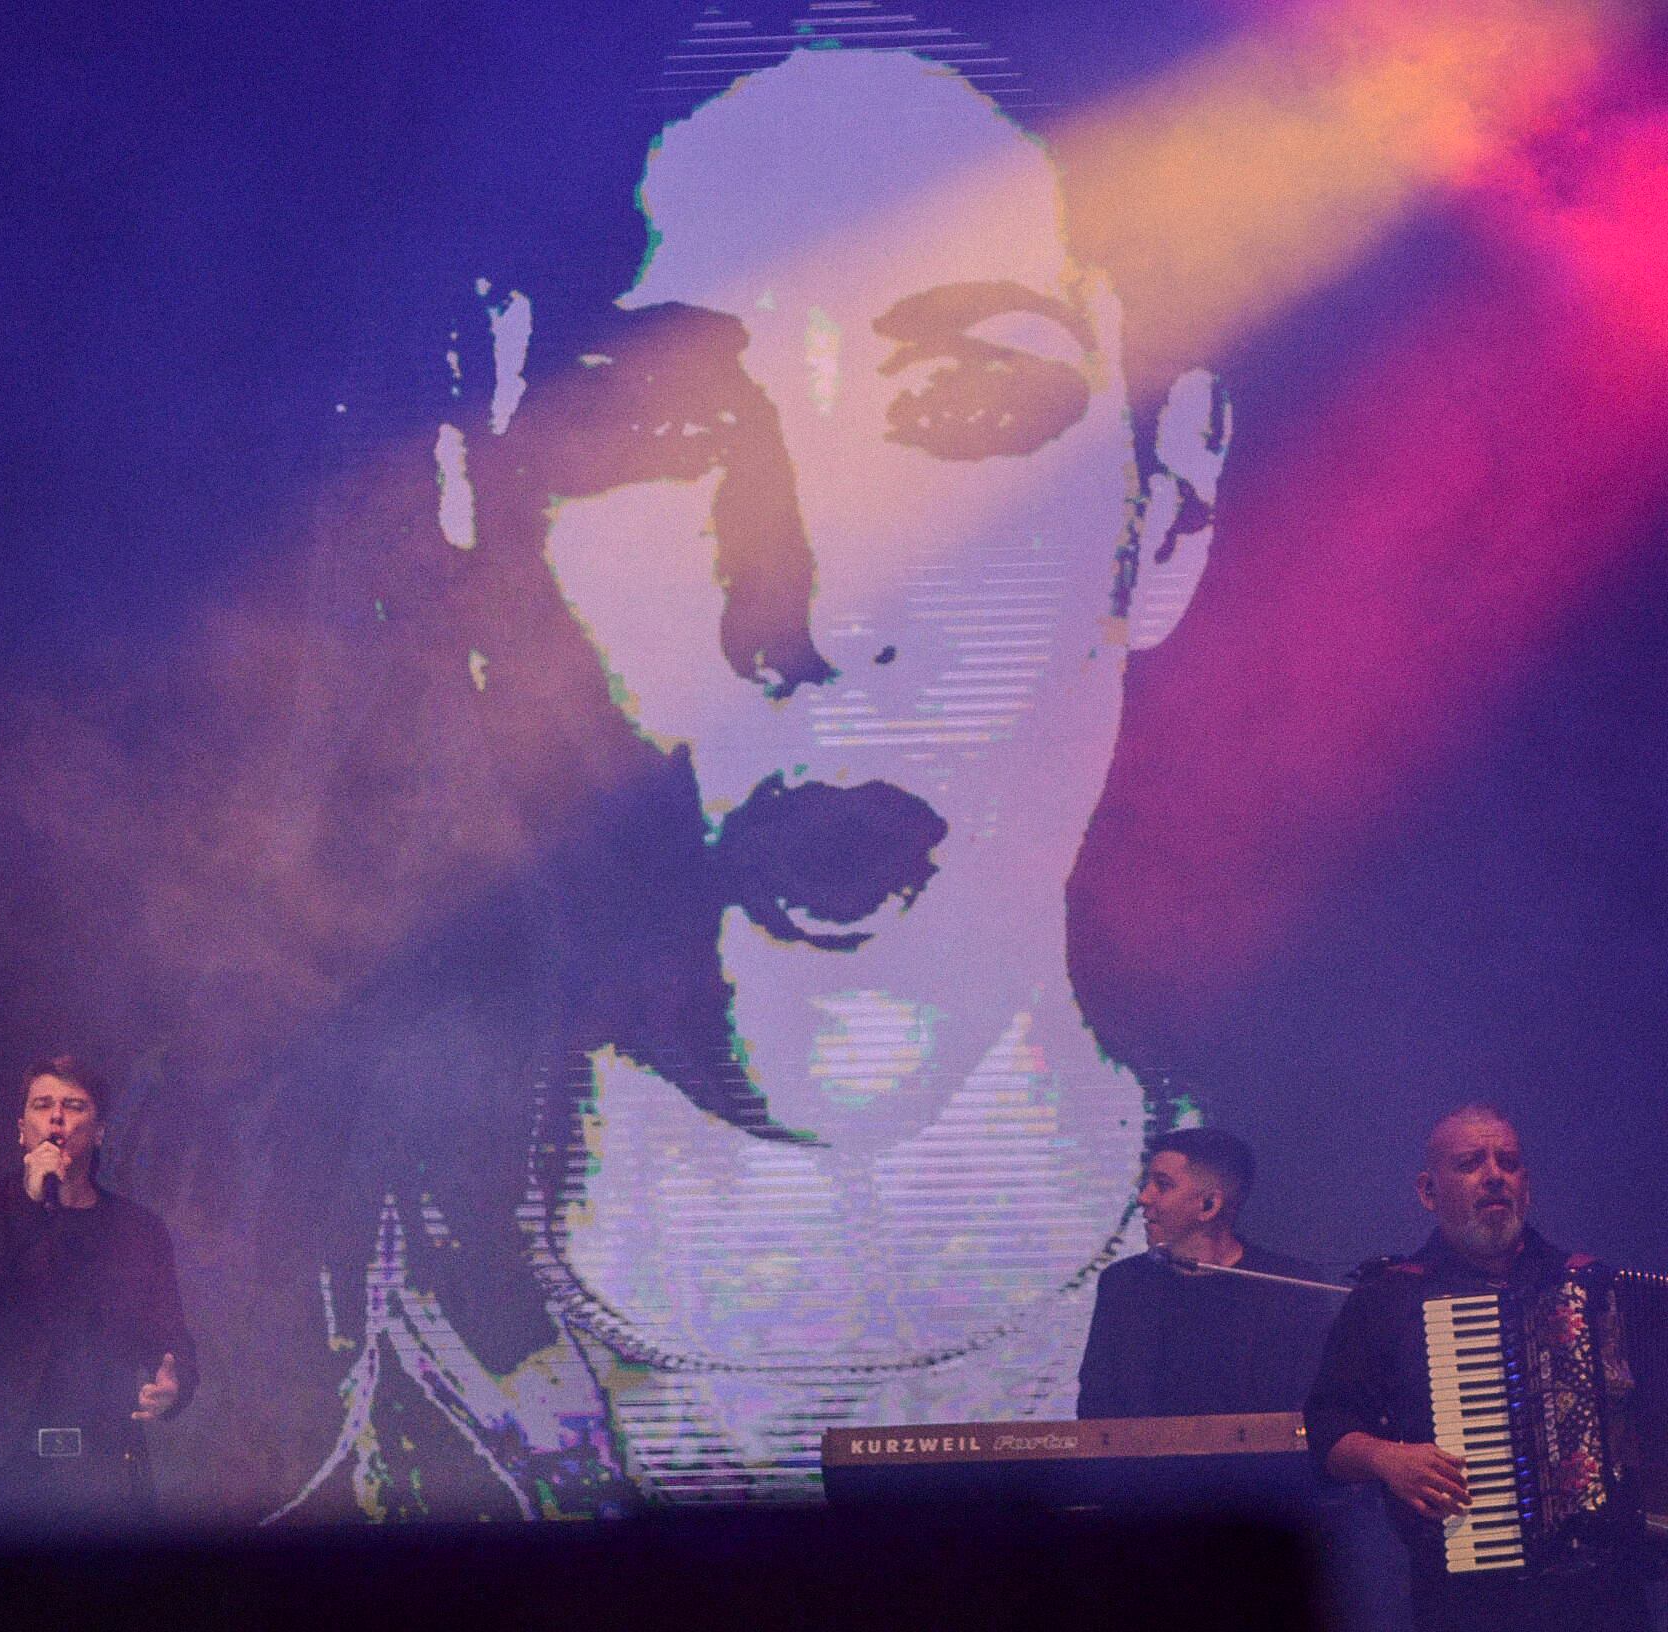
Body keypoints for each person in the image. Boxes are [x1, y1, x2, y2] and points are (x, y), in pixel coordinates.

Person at [275, 16, 1234, 1515]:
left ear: (1167, 502)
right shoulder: (296, 1370)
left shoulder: (1276, 1346)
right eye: (660, 417)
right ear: (463, 494)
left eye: (975, 405)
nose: (826, 616)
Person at [1304, 1106, 1649, 1632]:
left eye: (1507, 1163)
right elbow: (1327, 1430)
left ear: (1525, 1187)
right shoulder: (1389, 1297)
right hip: (1469, 1600)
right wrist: (1386, 1459)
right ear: (1428, 1191)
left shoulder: (1592, 1289)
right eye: (1469, 1163)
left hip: (1602, 1596)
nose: (1493, 1176)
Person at [0, 1056, 196, 1534]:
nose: (56, 1118)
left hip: (100, 1469)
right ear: (21, 1129)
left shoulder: (137, 1231)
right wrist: (29, 1206)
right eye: (42, 1105)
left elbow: (171, 1340)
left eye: (74, 1106)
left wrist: (174, 1387)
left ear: (98, 1132)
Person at [1075, 1127, 1335, 1419]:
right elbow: (1096, 1407)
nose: (1143, 1198)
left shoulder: (1289, 1286)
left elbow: (1309, 1409)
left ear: (1209, 1205)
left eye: (1162, 1185)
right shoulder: (1124, 1284)